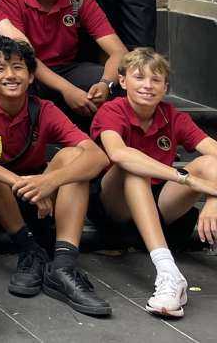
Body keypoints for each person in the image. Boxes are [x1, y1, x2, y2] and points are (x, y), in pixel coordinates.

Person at [0, 35, 111, 317]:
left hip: (39, 198)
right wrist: (18, 182)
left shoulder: (45, 109)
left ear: (32, 75)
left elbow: (98, 156)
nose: (10, 75)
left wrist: (49, 182)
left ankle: (63, 264)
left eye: (18, 67)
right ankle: (28, 249)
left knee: (75, 157)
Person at [91, 47, 217, 319]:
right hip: (116, 204)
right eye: (139, 78)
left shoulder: (172, 116)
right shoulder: (112, 110)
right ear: (123, 82)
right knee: (133, 168)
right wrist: (185, 178)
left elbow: (214, 153)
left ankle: (173, 279)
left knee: (209, 164)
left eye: (156, 80)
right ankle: (167, 272)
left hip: (158, 204)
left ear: (165, 87)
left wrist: (214, 199)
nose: (148, 86)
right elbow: (118, 153)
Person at [0, 0, 126, 121]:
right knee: (8, 84)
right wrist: (67, 89)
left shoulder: (80, 0)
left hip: (67, 69)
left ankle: (107, 135)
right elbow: (25, 56)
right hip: (28, 70)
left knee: (123, 80)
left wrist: (105, 84)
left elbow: (119, 52)